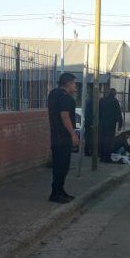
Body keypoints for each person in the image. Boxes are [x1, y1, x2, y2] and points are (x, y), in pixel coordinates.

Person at [48, 72, 79, 203]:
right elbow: (65, 116)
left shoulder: (53, 93)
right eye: (74, 83)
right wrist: (73, 134)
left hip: (55, 135)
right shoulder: (66, 98)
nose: (75, 86)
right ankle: (56, 193)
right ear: (68, 83)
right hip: (63, 136)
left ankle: (59, 190)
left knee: (58, 166)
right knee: (62, 166)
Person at [98, 88, 124, 162]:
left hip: (102, 124)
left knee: (102, 140)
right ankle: (107, 158)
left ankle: (102, 156)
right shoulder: (115, 101)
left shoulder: (102, 100)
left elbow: (98, 112)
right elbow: (118, 113)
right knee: (109, 141)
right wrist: (120, 124)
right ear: (114, 94)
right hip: (111, 124)